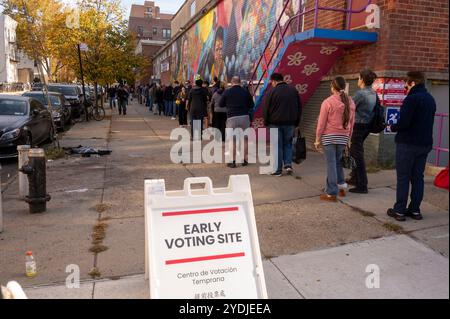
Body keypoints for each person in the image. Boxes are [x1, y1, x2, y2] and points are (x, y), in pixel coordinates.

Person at [386, 71, 436, 221]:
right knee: (417, 178)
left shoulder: (411, 99)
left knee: (403, 177)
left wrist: (392, 127)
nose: (405, 87)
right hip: (424, 144)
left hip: (407, 144)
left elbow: (404, 123)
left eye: (406, 84)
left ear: (412, 83)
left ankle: (399, 211)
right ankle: (415, 210)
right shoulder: (430, 99)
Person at [315, 76, 356, 202]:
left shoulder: (328, 102)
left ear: (332, 87)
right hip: (343, 137)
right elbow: (352, 123)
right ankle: (341, 188)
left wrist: (317, 139)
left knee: (331, 164)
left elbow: (321, 123)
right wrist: (349, 138)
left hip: (329, 137)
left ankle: (331, 192)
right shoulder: (350, 102)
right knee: (337, 162)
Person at [263, 73, 302, 176]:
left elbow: (266, 109)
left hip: (274, 124)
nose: (271, 84)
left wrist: (266, 122)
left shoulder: (271, 92)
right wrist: (297, 122)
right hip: (290, 123)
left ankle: (277, 170)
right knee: (288, 144)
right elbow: (299, 107)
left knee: (277, 146)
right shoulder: (293, 90)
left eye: (271, 82)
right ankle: (288, 165)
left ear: (274, 81)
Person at [347, 69, 378, 194]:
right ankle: (354, 178)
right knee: (356, 152)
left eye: (359, 78)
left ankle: (362, 185)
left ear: (362, 80)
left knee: (357, 155)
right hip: (367, 126)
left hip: (358, 126)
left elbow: (349, 107)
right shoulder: (373, 93)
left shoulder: (361, 94)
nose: (358, 80)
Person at [219, 76, 254, 168]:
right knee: (245, 139)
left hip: (232, 118)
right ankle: (244, 160)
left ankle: (233, 161)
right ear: (240, 82)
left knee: (232, 140)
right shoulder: (245, 92)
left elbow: (220, 104)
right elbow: (252, 105)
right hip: (244, 117)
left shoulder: (227, 92)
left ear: (232, 82)